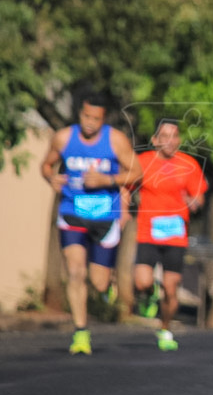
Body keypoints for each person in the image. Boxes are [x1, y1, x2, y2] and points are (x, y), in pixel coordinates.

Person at [40, 94, 143, 355]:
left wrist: (107, 180)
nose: (89, 123)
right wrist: (50, 178)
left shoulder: (115, 140)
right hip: (72, 212)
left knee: (98, 283)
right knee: (75, 272)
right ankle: (81, 332)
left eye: (95, 119)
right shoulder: (64, 137)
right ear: (80, 114)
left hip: (104, 217)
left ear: (103, 118)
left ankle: (107, 283)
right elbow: (46, 165)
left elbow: (137, 171)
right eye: (86, 116)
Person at [132, 119, 208, 351]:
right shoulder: (142, 163)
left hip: (175, 235)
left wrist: (193, 202)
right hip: (148, 232)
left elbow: (199, 197)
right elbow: (126, 186)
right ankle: (151, 292)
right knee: (142, 281)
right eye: (164, 135)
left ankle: (165, 329)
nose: (169, 140)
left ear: (179, 140)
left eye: (174, 135)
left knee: (172, 289)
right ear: (154, 140)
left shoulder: (189, 164)